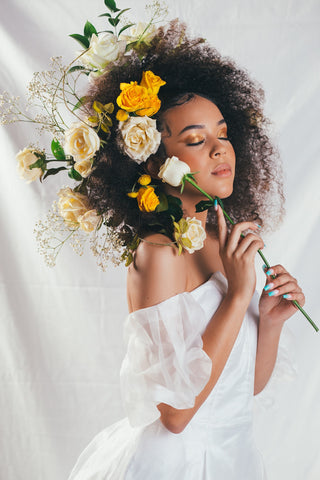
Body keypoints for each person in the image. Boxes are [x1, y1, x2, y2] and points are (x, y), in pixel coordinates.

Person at [64, 19, 305, 480]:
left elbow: (240, 389)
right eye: (196, 140)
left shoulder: (222, 239)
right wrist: (238, 295)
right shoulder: (157, 254)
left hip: (233, 459)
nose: (220, 150)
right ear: (156, 161)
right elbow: (175, 414)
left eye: (223, 133)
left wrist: (269, 323)